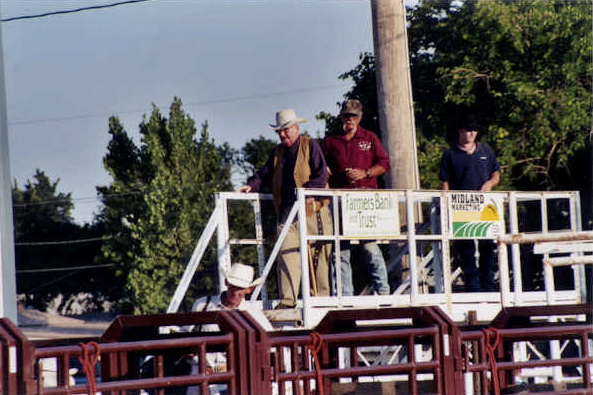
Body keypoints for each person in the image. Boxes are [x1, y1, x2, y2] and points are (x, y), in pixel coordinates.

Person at [237, 109, 333, 308]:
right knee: (286, 253)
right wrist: (251, 185)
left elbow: (321, 175)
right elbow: (263, 174)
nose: (282, 135)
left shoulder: (310, 145)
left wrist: (306, 193)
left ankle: (321, 300)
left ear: (297, 128)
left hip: (313, 211)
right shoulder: (277, 153)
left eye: (286, 130)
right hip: (288, 213)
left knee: (318, 257)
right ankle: (288, 300)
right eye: (279, 132)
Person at [322, 99, 391, 296]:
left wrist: (366, 173)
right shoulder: (330, 140)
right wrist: (327, 174)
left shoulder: (369, 138)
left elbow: (385, 163)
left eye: (353, 116)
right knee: (340, 249)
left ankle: (383, 291)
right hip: (338, 198)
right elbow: (321, 166)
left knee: (370, 248)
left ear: (360, 117)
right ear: (341, 116)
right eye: (346, 115)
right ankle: (345, 294)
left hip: (364, 199)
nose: (349, 119)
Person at [186, 263, 271, 395]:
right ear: (226, 283)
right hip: (201, 371)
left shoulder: (253, 314)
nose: (236, 292)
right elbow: (185, 333)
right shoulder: (203, 304)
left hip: (234, 375)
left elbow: (269, 342)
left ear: (249, 290)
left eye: (241, 288)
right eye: (233, 286)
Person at [439, 113, 501, 292]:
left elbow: (496, 174)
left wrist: (489, 183)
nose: (472, 133)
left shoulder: (485, 151)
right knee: (466, 248)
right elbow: (445, 182)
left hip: (485, 206)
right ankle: (473, 287)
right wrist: (447, 205)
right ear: (460, 131)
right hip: (462, 206)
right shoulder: (450, 154)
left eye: (474, 130)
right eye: (468, 130)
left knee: (487, 247)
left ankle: (488, 286)